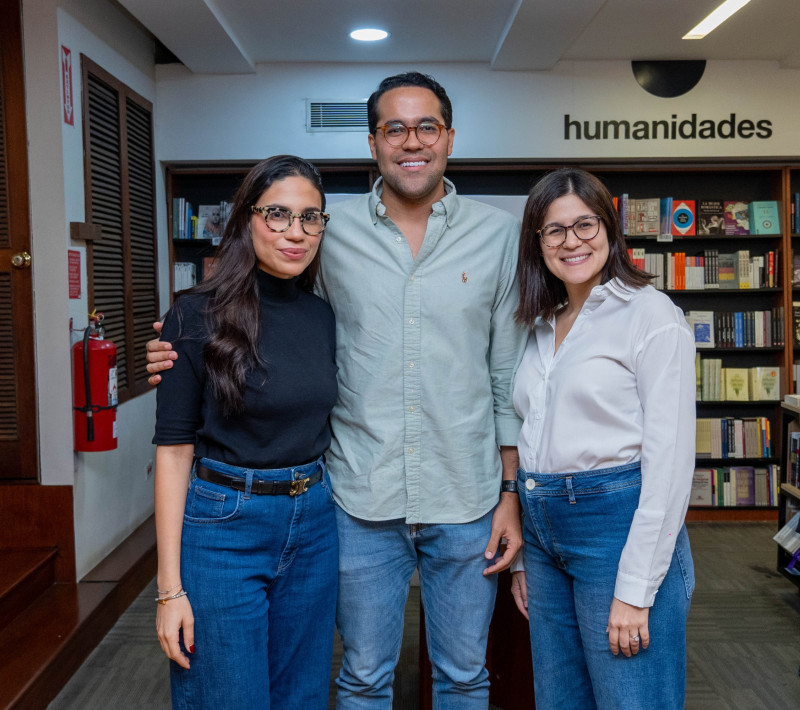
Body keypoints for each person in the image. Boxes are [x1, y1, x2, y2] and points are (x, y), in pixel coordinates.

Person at [147, 72, 525, 708]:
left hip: (464, 498)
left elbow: (506, 375)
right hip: (355, 500)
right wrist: (178, 345)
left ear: (449, 138)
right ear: (373, 142)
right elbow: (253, 320)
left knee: (465, 677)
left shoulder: (498, 236)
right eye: (395, 128)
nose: (412, 141)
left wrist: (510, 492)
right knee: (360, 678)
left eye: (426, 125)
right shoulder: (331, 232)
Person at [152, 155, 339, 709]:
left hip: (313, 522)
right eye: (277, 214)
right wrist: (169, 590)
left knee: (301, 696)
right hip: (223, 524)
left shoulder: (322, 316)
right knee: (227, 695)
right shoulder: (192, 316)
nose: (294, 232)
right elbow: (173, 452)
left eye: (310, 217)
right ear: (245, 218)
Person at [510, 167, 696, 709]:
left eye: (585, 225)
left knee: (630, 698)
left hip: (616, 528)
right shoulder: (543, 319)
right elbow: (530, 433)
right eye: (554, 230)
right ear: (537, 243)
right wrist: (525, 555)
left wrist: (637, 591)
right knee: (560, 699)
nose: (571, 242)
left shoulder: (651, 316)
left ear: (610, 229)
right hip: (543, 529)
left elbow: (670, 463)